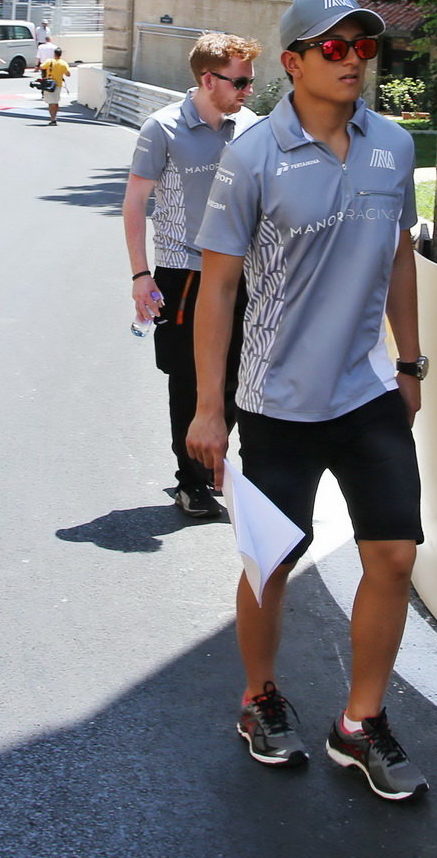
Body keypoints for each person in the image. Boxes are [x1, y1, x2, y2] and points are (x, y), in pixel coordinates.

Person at [188, 0, 431, 800]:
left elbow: (400, 257)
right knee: (271, 562)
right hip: (277, 399)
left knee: (395, 554)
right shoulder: (252, 157)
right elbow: (218, 286)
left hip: (366, 391)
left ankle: (360, 724)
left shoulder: (393, 146)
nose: (354, 59)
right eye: (334, 47)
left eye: (364, 46)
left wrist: (411, 363)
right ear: (291, 64)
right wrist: (210, 406)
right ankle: (259, 697)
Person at [123, 32, 261, 519]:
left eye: (249, 80)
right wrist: (142, 275)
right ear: (208, 79)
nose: (249, 89)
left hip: (246, 272)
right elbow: (136, 202)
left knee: (240, 377)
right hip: (184, 273)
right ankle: (191, 480)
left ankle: (214, 459)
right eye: (241, 81)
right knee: (188, 378)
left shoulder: (251, 127)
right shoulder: (161, 128)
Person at [38, 46, 72, 125]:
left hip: (49, 84)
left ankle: (53, 119)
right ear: (61, 54)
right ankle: (55, 117)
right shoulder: (63, 63)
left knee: (51, 102)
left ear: (54, 54)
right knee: (55, 102)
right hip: (58, 84)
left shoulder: (49, 61)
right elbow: (68, 74)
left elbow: (41, 67)